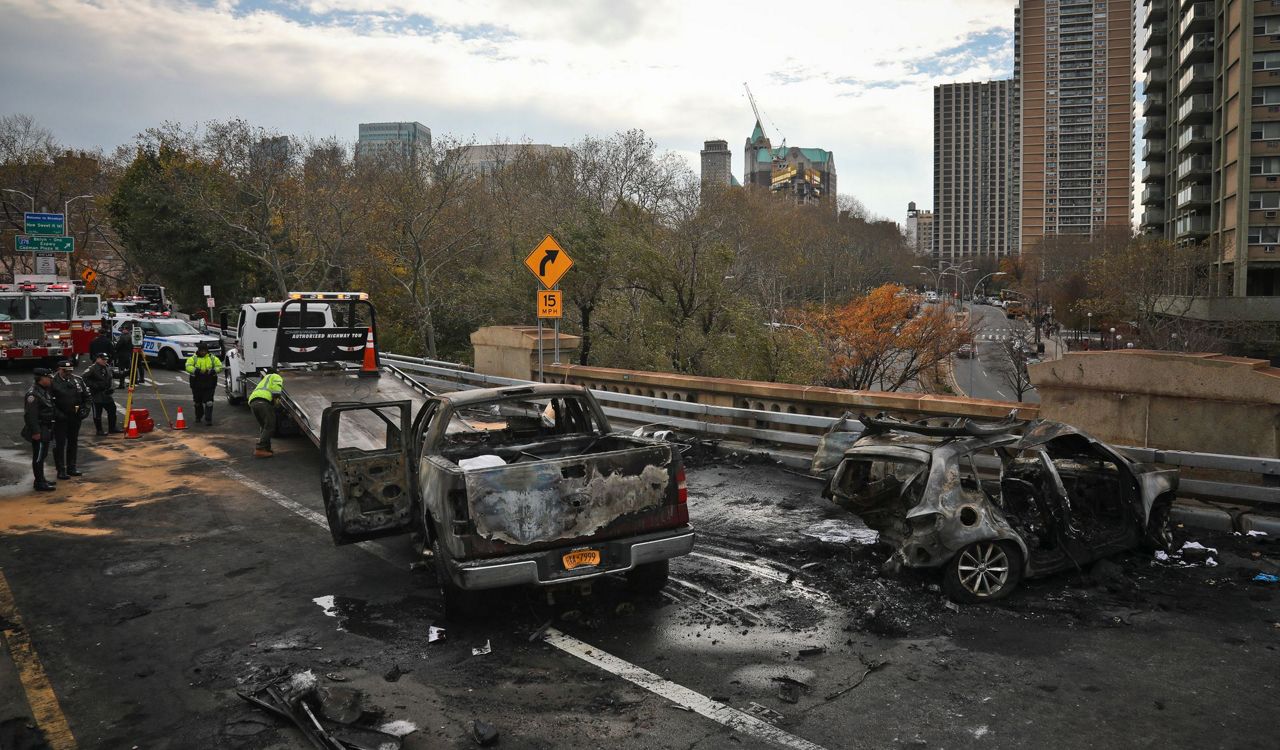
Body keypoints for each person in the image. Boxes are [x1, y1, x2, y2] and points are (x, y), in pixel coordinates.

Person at [50, 360, 91, 479]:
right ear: (59, 369)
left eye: (70, 371)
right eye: (65, 371)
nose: (68, 373)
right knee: (59, 444)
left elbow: (87, 397)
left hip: (75, 416)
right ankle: (61, 469)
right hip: (60, 419)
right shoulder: (53, 382)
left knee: (73, 442)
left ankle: (71, 467)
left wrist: (85, 410)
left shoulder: (77, 380)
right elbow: (49, 402)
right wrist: (58, 414)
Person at [23, 369, 57, 491]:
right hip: (40, 428)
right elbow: (30, 415)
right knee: (38, 456)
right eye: (48, 378)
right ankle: (39, 482)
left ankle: (42, 479)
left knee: (42, 455)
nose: (50, 379)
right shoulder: (33, 394)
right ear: (41, 379)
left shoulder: (43, 390)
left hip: (46, 427)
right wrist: (36, 432)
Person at [82, 351, 123, 436]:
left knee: (112, 410)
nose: (105, 361)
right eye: (103, 359)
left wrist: (126, 373)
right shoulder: (92, 368)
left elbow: (115, 375)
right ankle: (99, 430)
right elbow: (83, 378)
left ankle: (112, 428)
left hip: (106, 394)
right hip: (96, 395)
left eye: (106, 359)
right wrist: (94, 385)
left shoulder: (107, 367)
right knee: (97, 413)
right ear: (98, 359)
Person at [184, 342, 224, 426]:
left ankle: (208, 419)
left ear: (207, 350)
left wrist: (213, 371)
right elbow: (188, 366)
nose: (203, 352)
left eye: (205, 351)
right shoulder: (193, 358)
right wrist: (196, 370)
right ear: (198, 350)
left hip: (209, 382)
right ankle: (198, 416)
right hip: (196, 383)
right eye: (201, 351)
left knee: (209, 402)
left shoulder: (212, 358)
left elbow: (220, 366)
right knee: (197, 402)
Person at [248, 368, 284, 458]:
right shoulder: (275, 376)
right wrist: (277, 404)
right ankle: (260, 449)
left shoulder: (264, 380)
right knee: (270, 425)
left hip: (253, 403)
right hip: (263, 402)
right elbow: (276, 391)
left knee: (264, 426)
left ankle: (266, 449)